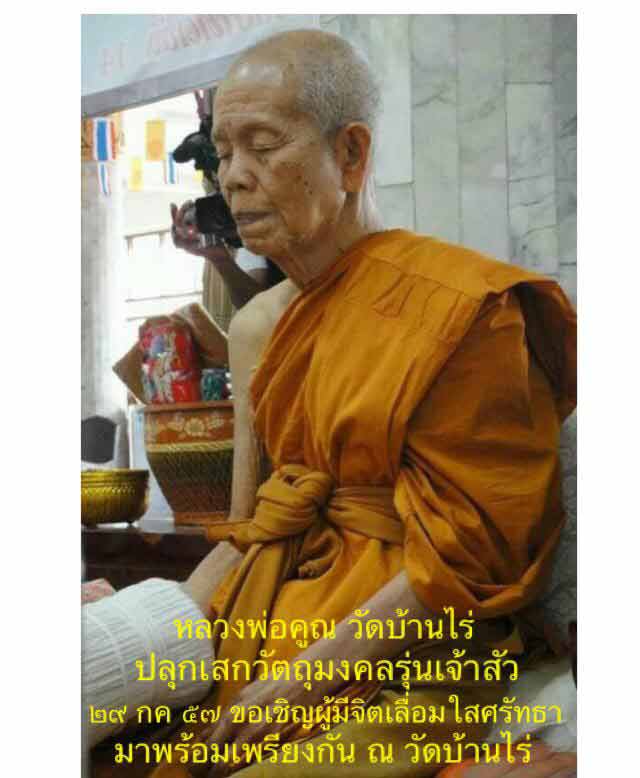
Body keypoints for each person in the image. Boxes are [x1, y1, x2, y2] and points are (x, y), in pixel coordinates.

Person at [87, 28, 577, 778]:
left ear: (350, 154)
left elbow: (472, 554)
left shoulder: (466, 309)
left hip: (412, 655)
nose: (234, 177)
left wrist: (300, 684)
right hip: (265, 614)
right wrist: (143, 625)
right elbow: (254, 527)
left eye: (262, 145)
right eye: (224, 152)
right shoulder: (259, 325)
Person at [170, 202, 286, 311]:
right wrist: (219, 259)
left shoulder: (254, 239)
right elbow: (253, 305)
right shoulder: (232, 244)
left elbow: (257, 306)